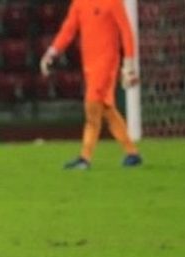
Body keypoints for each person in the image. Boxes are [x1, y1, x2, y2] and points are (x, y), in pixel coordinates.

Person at [40, 0, 143, 169]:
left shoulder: (113, 2)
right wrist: (52, 52)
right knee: (106, 108)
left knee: (92, 108)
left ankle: (85, 157)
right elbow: (68, 29)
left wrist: (129, 64)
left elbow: (125, 31)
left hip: (107, 64)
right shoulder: (79, 3)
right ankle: (132, 153)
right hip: (89, 65)